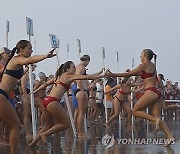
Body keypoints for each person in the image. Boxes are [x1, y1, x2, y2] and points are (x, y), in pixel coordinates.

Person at [106, 49, 174, 146]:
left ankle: (156, 121)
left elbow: (128, 75)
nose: (140, 56)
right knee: (156, 117)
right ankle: (170, 136)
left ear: (145, 56)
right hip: (157, 92)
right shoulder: (151, 66)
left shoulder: (144, 65)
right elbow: (136, 74)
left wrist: (112, 74)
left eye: (141, 55)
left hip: (151, 91)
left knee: (135, 111)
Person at [29, 61, 105, 146]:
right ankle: (45, 134)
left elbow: (46, 84)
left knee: (48, 125)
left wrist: (35, 91)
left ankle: (32, 144)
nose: (75, 69)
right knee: (66, 124)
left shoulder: (58, 76)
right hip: (53, 101)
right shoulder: (69, 76)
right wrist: (101, 75)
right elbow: (87, 76)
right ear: (68, 69)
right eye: (73, 67)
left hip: (46, 100)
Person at [0, 40, 55, 154]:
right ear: (21, 49)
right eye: (29, 48)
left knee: (13, 125)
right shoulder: (17, 59)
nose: (31, 51)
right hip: (1, 95)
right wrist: (45, 56)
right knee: (16, 126)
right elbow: (30, 60)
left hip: (4, 96)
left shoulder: (17, 62)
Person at [74, 55, 91, 137]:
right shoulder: (81, 68)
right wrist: (82, 90)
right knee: (82, 113)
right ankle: (80, 133)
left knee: (79, 113)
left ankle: (79, 131)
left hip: (77, 91)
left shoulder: (76, 67)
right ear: (87, 61)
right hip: (81, 91)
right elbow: (78, 79)